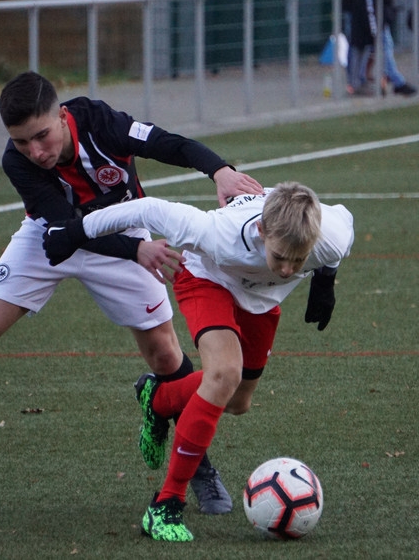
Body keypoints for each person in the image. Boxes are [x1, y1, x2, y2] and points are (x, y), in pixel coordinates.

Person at [0, 71, 264, 515]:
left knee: (164, 355)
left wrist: (220, 170)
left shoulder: (102, 122)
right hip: (52, 237)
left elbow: (166, 143)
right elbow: (66, 230)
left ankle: (199, 467)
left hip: (122, 229)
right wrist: (136, 250)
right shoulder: (16, 161)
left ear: (62, 116)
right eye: (22, 142)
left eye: (41, 136)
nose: (35, 152)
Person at [41, 182, 354, 542]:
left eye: (298, 261)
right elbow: (145, 209)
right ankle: (166, 504)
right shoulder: (217, 233)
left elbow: (344, 222)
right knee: (224, 374)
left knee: (238, 401)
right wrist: (76, 231)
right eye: (280, 256)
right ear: (261, 231)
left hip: (260, 300)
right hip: (208, 278)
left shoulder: (331, 235)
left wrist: (325, 280)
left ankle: (158, 400)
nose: (287, 270)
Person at [346, 0, 387, 96]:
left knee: (363, 53)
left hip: (363, 27)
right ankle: (355, 84)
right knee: (358, 54)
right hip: (362, 28)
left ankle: (359, 81)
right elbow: (369, 9)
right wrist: (373, 30)